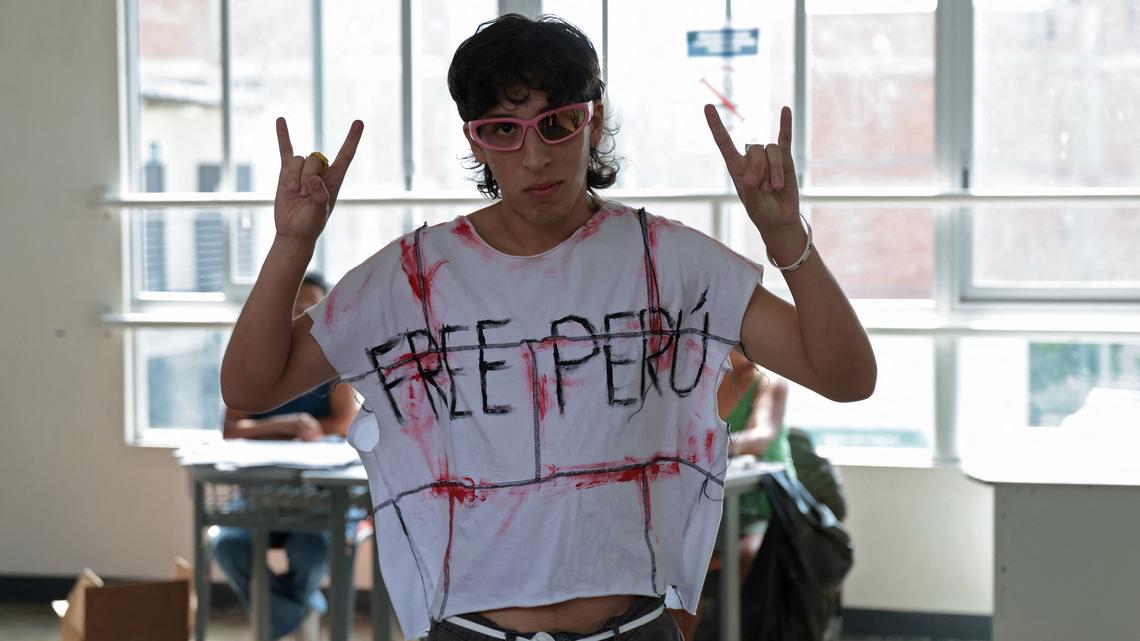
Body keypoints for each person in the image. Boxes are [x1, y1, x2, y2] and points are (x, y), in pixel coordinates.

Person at [220, 13, 876, 641]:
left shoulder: (668, 262)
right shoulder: (415, 276)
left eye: (558, 123)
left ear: (595, 122)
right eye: (503, 130)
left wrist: (787, 237)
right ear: (476, 139)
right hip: (469, 630)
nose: (534, 155)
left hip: (634, 628)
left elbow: (846, 374)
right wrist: (291, 245)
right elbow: (251, 385)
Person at [210, 272, 360, 641]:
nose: (301, 317)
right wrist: (283, 424)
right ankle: (300, 611)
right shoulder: (256, 363)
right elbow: (231, 427)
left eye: (311, 309)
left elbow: (343, 422)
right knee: (228, 546)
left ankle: (283, 617)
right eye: (294, 308)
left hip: (317, 500)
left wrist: (310, 429)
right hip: (259, 494)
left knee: (311, 550)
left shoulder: (334, 358)